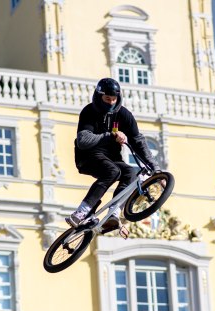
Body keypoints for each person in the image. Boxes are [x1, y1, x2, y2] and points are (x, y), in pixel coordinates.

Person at [66, 78, 160, 231]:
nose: (110, 102)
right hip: (88, 156)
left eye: (114, 99)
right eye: (107, 99)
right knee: (113, 171)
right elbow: (83, 140)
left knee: (130, 172)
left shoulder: (124, 115)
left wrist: (157, 170)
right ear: (99, 97)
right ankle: (81, 211)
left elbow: (139, 142)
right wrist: (109, 135)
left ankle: (114, 214)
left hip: (112, 158)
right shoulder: (89, 111)